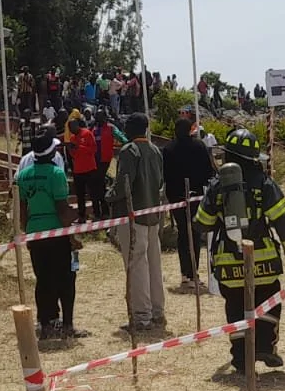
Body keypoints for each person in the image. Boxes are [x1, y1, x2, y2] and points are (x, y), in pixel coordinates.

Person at [193, 128, 285, 372]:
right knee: (270, 302)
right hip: (262, 262)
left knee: (235, 308)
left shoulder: (218, 185)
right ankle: (265, 346)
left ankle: (241, 358)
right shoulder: (264, 183)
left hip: (229, 263)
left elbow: (201, 223)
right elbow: (283, 218)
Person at [17, 134, 89, 342]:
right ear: (50, 152)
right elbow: (61, 210)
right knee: (67, 278)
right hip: (57, 233)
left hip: (35, 233)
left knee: (43, 280)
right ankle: (67, 324)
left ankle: (46, 325)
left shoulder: (23, 176)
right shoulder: (57, 174)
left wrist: (28, 233)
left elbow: (22, 210)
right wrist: (75, 229)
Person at [108, 112, 167, 333]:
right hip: (153, 215)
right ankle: (157, 311)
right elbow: (160, 181)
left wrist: (108, 196)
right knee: (154, 263)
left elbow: (124, 185)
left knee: (136, 265)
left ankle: (141, 316)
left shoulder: (128, 151)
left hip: (133, 217)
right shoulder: (154, 150)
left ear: (130, 129)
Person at [162, 116, 215, 290]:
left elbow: (165, 174)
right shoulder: (198, 146)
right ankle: (193, 273)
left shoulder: (168, 148)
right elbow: (208, 171)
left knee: (182, 233)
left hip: (176, 197)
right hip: (194, 196)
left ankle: (185, 274)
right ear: (190, 130)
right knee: (194, 233)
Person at [68, 117, 102, 223]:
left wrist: (79, 147)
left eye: (72, 127)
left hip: (90, 169)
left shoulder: (87, 133)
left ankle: (97, 214)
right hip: (78, 170)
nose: (71, 130)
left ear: (77, 125)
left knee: (93, 193)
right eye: (69, 128)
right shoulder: (72, 138)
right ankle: (82, 216)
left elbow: (93, 149)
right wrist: (71, 149)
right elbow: (73, 155)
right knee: (80, 195)